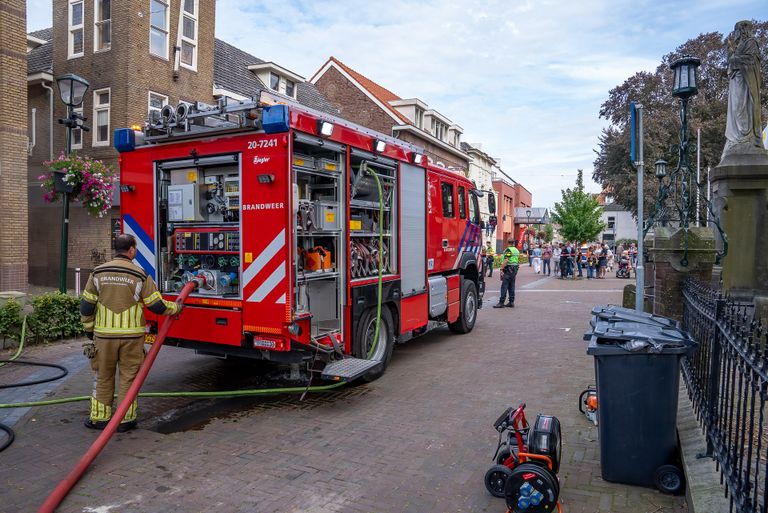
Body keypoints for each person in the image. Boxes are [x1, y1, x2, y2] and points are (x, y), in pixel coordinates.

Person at [80, 234, 182, 432]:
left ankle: (100, 419)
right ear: (132, 250)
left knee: (103, 376)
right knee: (129, 378)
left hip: (104, 337)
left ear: (115, 249)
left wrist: (89, 331)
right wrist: (176, 308)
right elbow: (157, 305)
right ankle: (125, 421)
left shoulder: (97, 273)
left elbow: (86, 306)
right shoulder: (140, 275)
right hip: (132, 339)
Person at [723, 20, 763, 155]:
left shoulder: (751, 43)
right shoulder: (740, 45)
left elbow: (751, 62)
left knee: (742, 109)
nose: (735, 34)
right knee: (735, 110)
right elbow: (733, 61)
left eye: (736, 30)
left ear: (742, 30)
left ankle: (745, 138)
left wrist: (733, 58)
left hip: (745, 84)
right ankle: (736, 139)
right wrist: (730, 52)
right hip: (736, 82)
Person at [494, 238, 520, 308]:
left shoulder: (509, 250)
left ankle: (501, 302)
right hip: (514, 269)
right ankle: (511, 302)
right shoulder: (516, 250)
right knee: (512, 285)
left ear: (507, 242)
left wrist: (501, 268)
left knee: (504, 286)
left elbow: (506, 260)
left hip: (508, 269)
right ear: (513, 243)